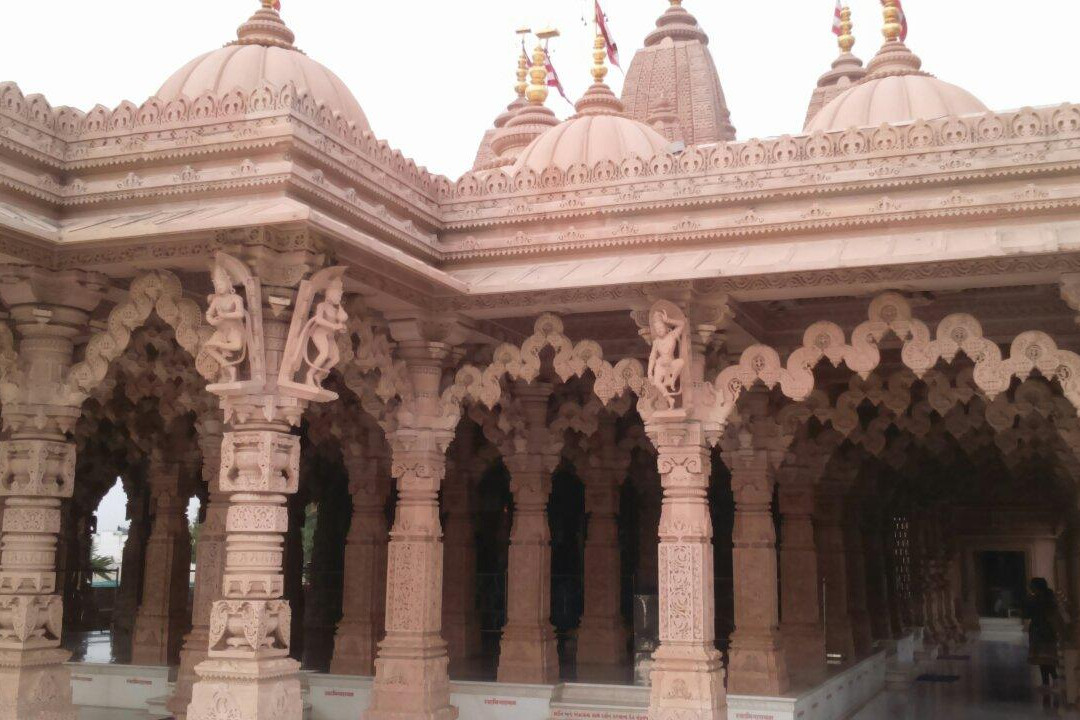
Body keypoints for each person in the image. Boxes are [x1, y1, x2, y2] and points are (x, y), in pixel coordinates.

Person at [1023, 577, 1064, 690]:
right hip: (1047, 630)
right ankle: (1047, 682)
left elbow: (1027, 614)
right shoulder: (1049, 599)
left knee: (1044, 658)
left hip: (1040, 630)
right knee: (1046, 658)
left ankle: (1051, 680)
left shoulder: (1037, 600)